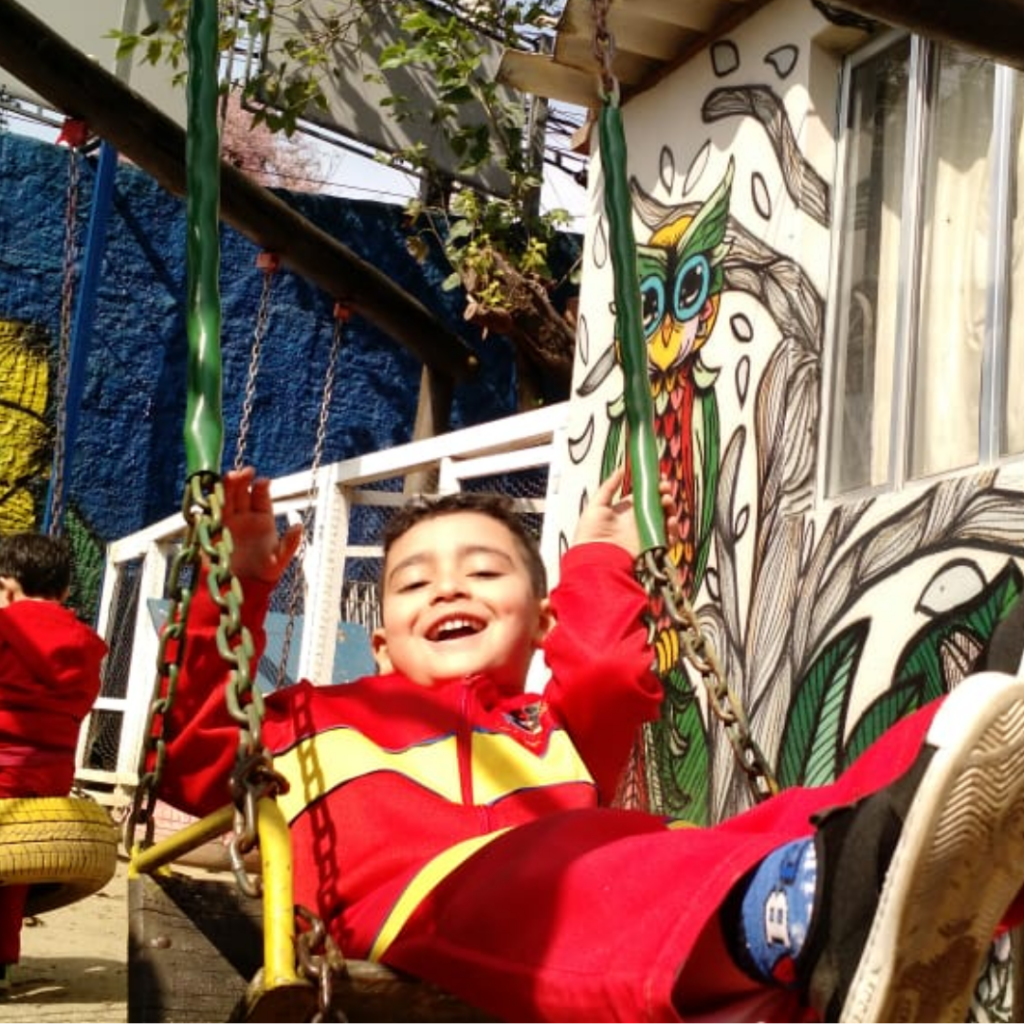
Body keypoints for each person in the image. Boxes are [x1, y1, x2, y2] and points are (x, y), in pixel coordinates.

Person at [156, 466, 1024, 1023]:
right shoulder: (308, 716)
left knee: (779, 822)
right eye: (414, 581)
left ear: (541, 626)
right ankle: (823, 899)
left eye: (484, 571)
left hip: (619, 892)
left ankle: (966, 754)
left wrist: (603, 559)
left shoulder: (549, 728)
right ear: (379, 640)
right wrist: (232, 581)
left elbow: (611, 671)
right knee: (567, 867)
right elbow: (191, 758)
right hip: (424, 910)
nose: (448, 586)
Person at [0, 532, 107, 992]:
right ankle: (1, 958)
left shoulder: (5, 628)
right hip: (51, 772)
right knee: (14, 863)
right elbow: (82, 703)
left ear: (7, 586)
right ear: (64, 592)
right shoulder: (86, 643)